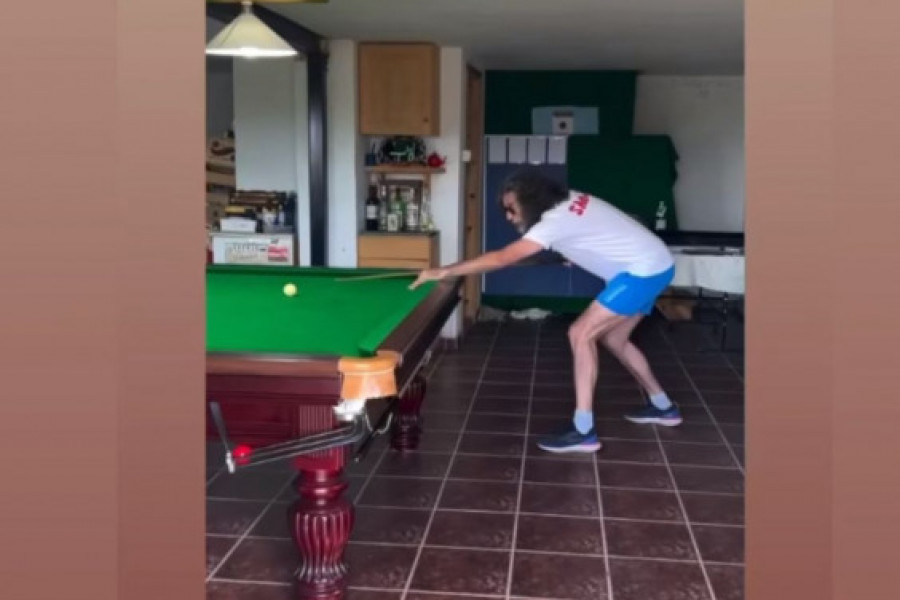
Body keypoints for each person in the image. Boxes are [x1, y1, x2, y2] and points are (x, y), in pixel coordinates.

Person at [409, 167, 682, 454]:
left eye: (511, 209)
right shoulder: (569, 199)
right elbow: (582, 236)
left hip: (641, 272)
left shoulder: (552, 223)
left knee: (580, 334)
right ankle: (663, 406)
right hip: (657, 262)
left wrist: (443, 271)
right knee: (615, 339)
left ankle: (583, 431)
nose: (509, 217)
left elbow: (502, 258)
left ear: (531, 201)